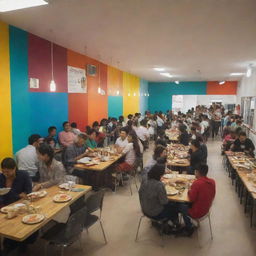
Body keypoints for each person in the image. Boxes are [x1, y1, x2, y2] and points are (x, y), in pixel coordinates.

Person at [0, 158, 36, 255]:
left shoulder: (23, 175)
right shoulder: (1, 177)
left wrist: (20, 195)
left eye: (8, 172)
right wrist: (17, 194)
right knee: (5, 224)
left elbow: (28, 191)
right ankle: (9, 244)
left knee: (21, 224)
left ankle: (20, 244)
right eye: (4, 172)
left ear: (14, 168)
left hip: (21, 205)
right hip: (5, 205)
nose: (6, 174)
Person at [178, 164, 215, 236]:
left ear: (197, 172)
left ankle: (189, 228)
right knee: (185, 204)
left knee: (179, 205)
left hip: (197, 212)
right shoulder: (212, 181)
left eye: (195, 171)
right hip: (206, 209)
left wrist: (189, 189)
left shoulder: (197, 183)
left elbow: (191, 199)